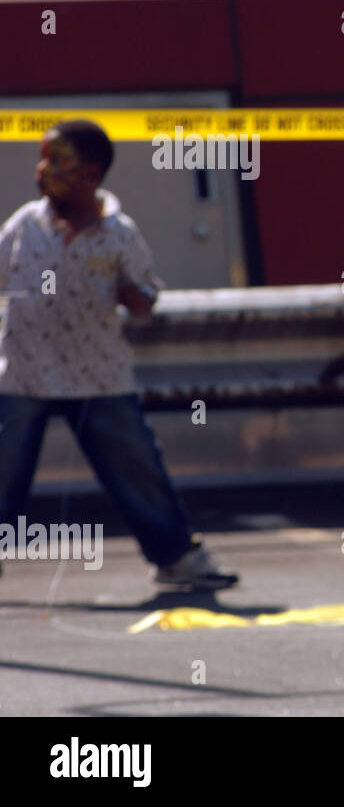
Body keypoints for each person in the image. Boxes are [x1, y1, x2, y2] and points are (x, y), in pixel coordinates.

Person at [0, 120, 238, 589]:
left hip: (99, 375)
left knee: (137, 467)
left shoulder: (117, 232)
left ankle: (176, 558)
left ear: (89, 172)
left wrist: (135, 295)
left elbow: (147, 295)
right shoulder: (27, 224)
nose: (41, 169)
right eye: (42, 157)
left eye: (55, 159)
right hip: (24, 372)